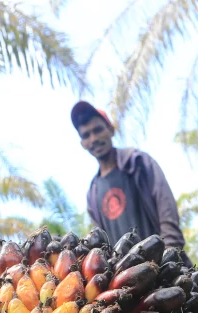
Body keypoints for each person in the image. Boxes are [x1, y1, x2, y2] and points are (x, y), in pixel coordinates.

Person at [72, 100, 185, 250]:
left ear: (111, 130)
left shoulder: (138, 162)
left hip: (163, 264)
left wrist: (170, 252)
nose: (94, 139)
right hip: (123, 272)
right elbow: (100, 243)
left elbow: (166, 206)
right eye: (86, 135)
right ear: (82, 144)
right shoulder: (93, 193)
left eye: (98, 130)